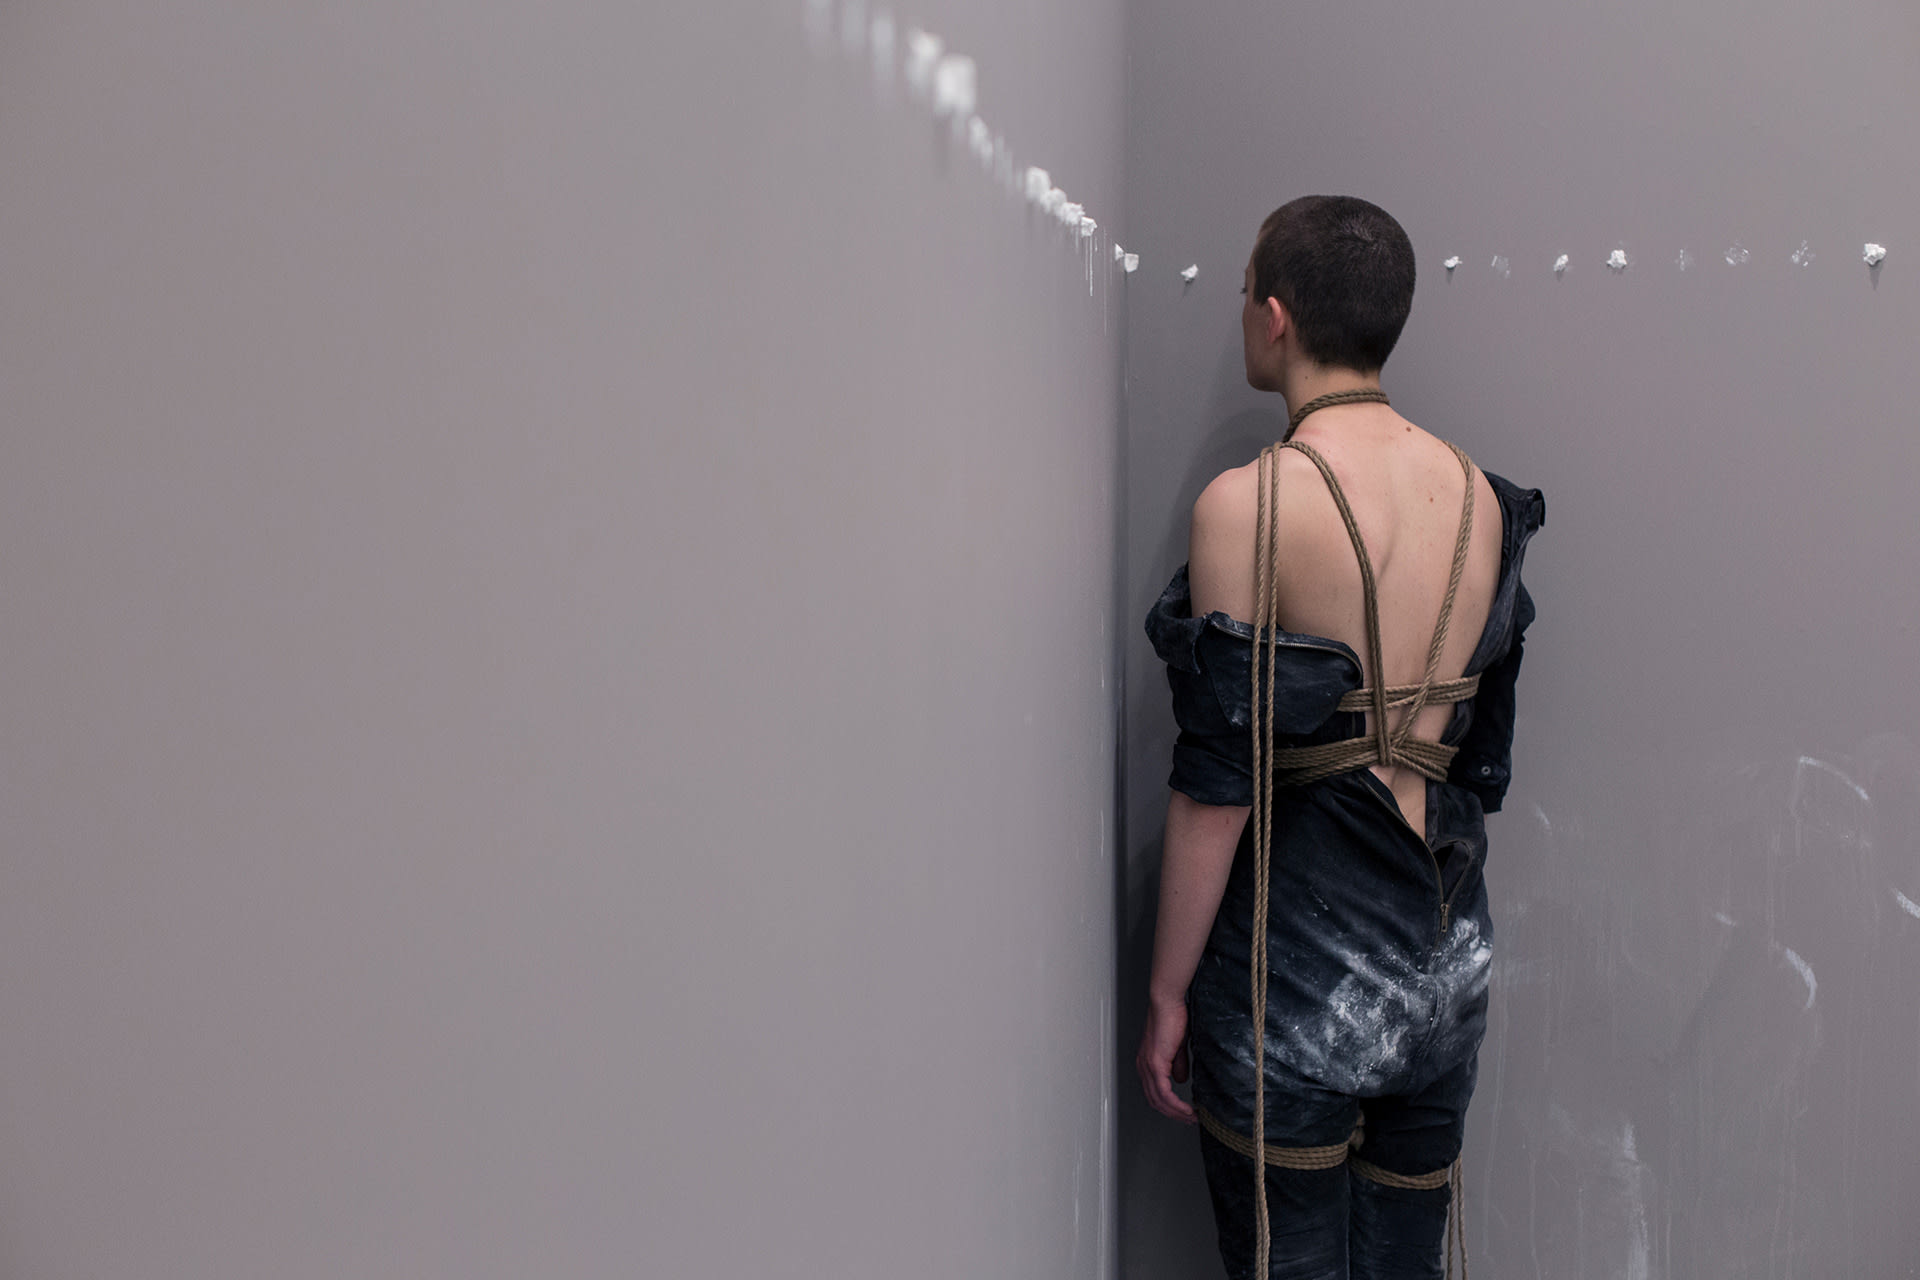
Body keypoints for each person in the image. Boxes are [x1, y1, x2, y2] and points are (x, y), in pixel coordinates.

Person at [1134, 195, 1545, 1280]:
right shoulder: (1480, 497)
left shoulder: (1250, 505)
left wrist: (1168, 991)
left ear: (1274, 317)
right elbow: (1477, 747)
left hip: (1299, 973)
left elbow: (1219, 782)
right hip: (1443, 961)